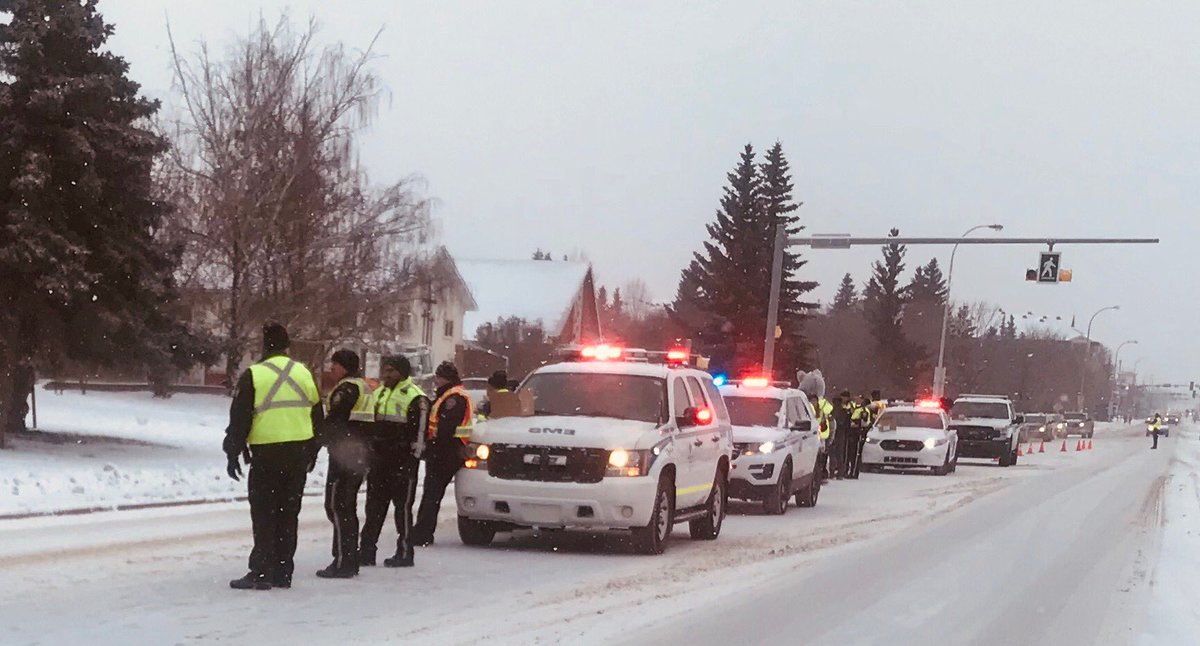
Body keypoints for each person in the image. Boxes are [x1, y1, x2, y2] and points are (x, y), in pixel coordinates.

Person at [223, 321, 322, 591]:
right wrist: (312, 450)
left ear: (264, 345)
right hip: (298, 453)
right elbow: (317, 415)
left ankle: (262, 571)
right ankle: (283, 571)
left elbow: (240, 418)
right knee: (289, 513)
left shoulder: (254, 375)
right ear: (287, 345)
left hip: (267, 454)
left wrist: (233, 452)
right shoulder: (304, 373)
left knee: (264, 513)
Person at [360, 355, 429, 568]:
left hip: (402, 463)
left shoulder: (416, 397)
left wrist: (411, 460)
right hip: (379, 461)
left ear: (402, 372)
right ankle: (366, 551)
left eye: (391, 371)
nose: (386, 375)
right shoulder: (379, 393)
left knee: (402, 510)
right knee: (373, 509)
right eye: (385, 370)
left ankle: (405, 552)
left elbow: (420, 434)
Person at [317, 349, 375, 579]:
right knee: (345, 506)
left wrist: (316, 441)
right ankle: (348, 556)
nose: (332, 368)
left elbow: (335, 421)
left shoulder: (347, 389)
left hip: (346, 456)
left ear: (345, 366)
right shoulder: (363, 387)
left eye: (336, 364)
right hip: (358, 455)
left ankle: (344, 560)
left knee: (338, 506)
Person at [411, 361, 473, 546]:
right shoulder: (448, 395)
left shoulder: (454, 398)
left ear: (445, 378)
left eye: (438, 377)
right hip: (446, 451)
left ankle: (422, 533)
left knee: (432, 494)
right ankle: (422, 532)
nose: (436, 381)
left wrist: (433, 447)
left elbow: (446, 428)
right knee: (432, 494)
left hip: (447, 452)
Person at [844, 394, 872, 479]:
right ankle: (848, 470)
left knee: (856, 454)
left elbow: (864, 422)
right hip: (851, 433)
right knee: (850, 453)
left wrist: (855, 423)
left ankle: (854, 472)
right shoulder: (853, 408)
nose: (857, 400)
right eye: (856, 398)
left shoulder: (864, 410)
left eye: (859, 399)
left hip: (859, 433)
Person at [830, 392, 854, 480]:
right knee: (836, 453)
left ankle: (837, 472)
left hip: (839, 434)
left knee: (837, 453)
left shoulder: (841, 411)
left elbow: (842, 423)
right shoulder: (836, 410)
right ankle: (836, 472)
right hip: (837, 433)